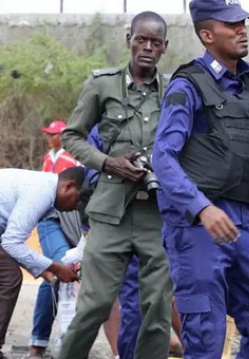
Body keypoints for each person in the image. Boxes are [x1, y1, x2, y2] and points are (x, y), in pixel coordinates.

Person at [152, 1, 249, 358]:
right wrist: (201, 208)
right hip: (198, 227)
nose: (242, 29)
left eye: (243, 22)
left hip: (244, 224)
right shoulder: (188, 84)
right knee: (206, 336)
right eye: (231, 25)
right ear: (207, 35)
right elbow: (162, 158)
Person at [57, 11, 173, 359]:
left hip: (156, 213)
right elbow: (71, 136)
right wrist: (108, 163)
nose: (147, 48)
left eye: (155, 42)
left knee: (157, 309)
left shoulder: (175, 90)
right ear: (129, 40)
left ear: (164, 47)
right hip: (109, 213)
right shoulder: (101, 84)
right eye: (141, 39)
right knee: (94, 304)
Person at [0, 167, 82, 359]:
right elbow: (12, 243)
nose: (76, 208)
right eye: (78, 199)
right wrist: (54, 267)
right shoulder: (42, 192)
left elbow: (9, 244)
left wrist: (45, 272)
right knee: (9, 277)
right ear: (68, 186)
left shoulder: (45, 188)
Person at [26, 119, 81, 359]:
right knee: (60, 268)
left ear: (63, 136)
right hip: (51, 218)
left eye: (53, 134)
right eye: (48, 134)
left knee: (66, 273)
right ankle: (39, 343)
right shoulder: (50, 157)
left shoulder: (72, 157)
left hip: (75, 218)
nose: (49, 138)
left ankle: (65, 344)